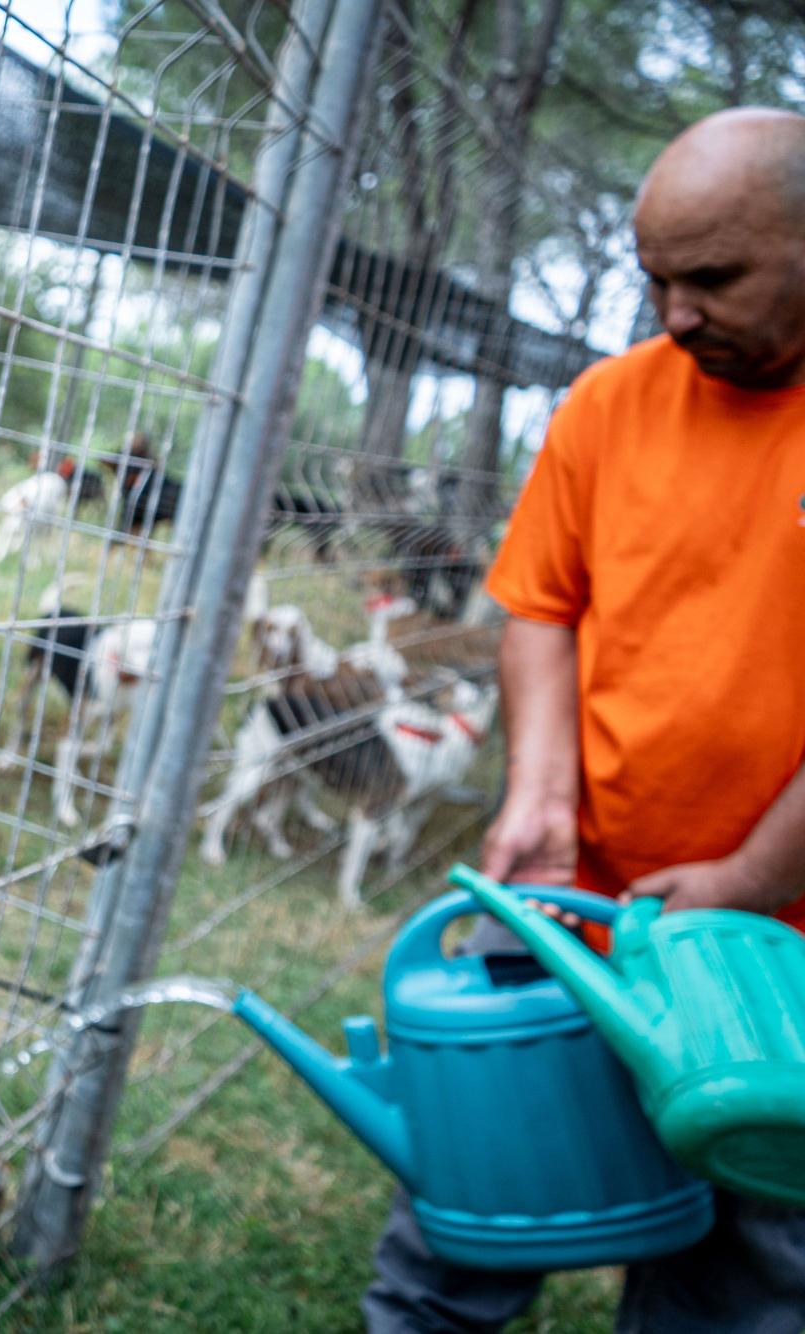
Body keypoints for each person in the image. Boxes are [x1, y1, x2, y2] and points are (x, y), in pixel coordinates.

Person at [362, 107, 805, 1332]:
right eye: (654, 278)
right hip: (575, 903)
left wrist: (750, 878)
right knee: (467, 1190)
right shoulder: (609, 405)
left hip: (780, 954)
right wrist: (538, 794)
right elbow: (539, 609)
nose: (673, 314)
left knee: (740, 1264)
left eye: (713, 278)